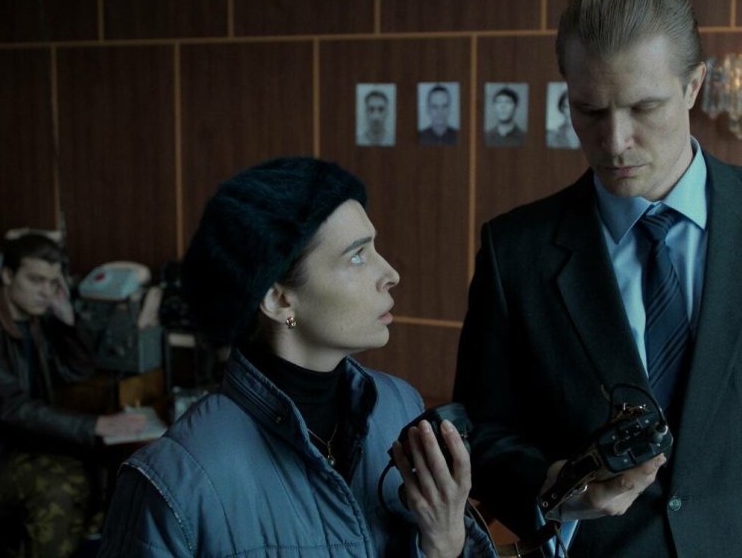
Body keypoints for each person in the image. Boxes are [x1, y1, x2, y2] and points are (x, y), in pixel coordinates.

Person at [454, 0, 742, 558]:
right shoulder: (515, 251)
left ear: (694, 86)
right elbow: (483, 432)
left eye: (643, 107)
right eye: (589, 110)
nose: (614, 142)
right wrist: (558, 487)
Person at [99, 157, 496, 557]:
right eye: (357, 256)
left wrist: (446, 541)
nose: (391, 273)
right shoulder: (174, 481)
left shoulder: (401, 407)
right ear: (279, 300)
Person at [0, 234, 146, 557]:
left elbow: (78, 371)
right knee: (61, 487)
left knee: (104, 473)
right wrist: (94, 425)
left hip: (26, 444)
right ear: (7, 276)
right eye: (36, 280)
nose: (46, 292)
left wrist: (67, 321)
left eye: (52, 282)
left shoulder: (35, 321)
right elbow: (10, 407)